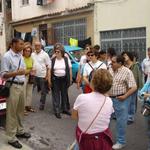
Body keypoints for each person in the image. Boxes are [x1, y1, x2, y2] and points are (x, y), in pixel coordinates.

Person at [72, 69, 114, 150]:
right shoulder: (109, 101)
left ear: (93, 82)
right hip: (102, 140)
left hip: (85, 139)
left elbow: (74, 116)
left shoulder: (82, 98)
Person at [1, 38, 31, 149]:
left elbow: (23, 70)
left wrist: (26, 72)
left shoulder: (20, 56)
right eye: (21, 44)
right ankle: (11, 137)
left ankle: (20, 131)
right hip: (13, 86)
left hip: (21, 85)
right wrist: (16, 72)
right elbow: (3, 75)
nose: (23, 46)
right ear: (14, 44)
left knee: (19, 111)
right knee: (11, 113)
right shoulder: (7, 56)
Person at [109, 55, 137, 149]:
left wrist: (124, 96)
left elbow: (134, 87)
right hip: (109, 99)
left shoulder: (127, 72)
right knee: (105, 119)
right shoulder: (110, 69)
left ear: (120, 63)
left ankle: (121, 141)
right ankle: (106, 138)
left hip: (121, 99)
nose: (110, 63)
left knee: (121, 121)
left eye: (113, 62)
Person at [50, 43, 72, 119]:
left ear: (62, 52)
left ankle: (64, 109)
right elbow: (49, 70)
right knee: (56, 95)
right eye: (55, 51)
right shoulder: (52, 60)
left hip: (64, 79)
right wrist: (49, 81)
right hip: (55, 80)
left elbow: (69, 69)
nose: (56, 53)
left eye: (58, 51)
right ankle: (57, 111)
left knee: (64, 94)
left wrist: (70, 79)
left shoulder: (66, 59)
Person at [122, 51, 143, 124]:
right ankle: (126, 116)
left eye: (125, 55)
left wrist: (140, 87)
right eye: (123, 55)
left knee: (132, 102)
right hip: (125, 87)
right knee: (126, 102)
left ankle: (130, 117)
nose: (124, 56)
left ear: (129, 56)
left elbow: (139, 76)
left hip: (133, 87)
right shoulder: (123, 65)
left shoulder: (135, 65)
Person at [31, 41, 51, 110]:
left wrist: (47, 76)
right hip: (34, 76)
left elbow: (49, 66)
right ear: (34, 46)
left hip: (42, 75)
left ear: (41, 46)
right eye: (35, 45)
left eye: (38, 45)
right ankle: (27, 104)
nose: (37, 47)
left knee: (43, 91)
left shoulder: (45, 54)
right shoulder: (32, 54)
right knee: (30, 90)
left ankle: (42, 104)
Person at [23, 45, 36, 115]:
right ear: (23, 51)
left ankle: (28, 106)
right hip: (23, 77)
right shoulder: (21, 58)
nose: (27, 52)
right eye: (26, 51)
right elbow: (22, 70)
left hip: (30, 76)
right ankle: (23, 108)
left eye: (29, 51)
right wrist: (29, 70)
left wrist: (33, 70)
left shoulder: (31, 58)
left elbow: (33, 67)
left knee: (29, 92)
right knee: (23, 92)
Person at [139, 81, 150, 150]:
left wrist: (148, 95)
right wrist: (144, 95)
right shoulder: (149, 83)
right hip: (148, 108)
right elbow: (140, 94)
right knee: (149, 131)